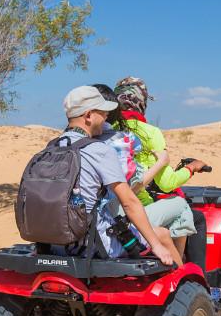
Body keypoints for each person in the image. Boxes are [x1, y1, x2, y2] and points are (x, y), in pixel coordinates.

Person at [58, 85, 178, 266]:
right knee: (162, 236)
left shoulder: (55, 145)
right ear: (89, 115)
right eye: (103, 112)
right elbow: (129, 202)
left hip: (55, 243)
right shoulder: (99, 150)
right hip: (92, 245)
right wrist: (156, 245)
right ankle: (190, 286)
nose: (107, 117)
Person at [112, 76, 209, 272]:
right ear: (141, 101)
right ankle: (191, 275)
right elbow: (167, 183)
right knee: (189, 212)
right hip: (133, 209)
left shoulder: (105, 130)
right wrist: (191, 168)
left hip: (110, 209)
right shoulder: (150, 132)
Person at [91, 83, 196, 261]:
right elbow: (164, 183)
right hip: (117, 217)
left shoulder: (81, 140)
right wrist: (189, 168)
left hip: (90, 221)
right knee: (181, 205)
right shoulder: (124, 139)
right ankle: (185, 272)